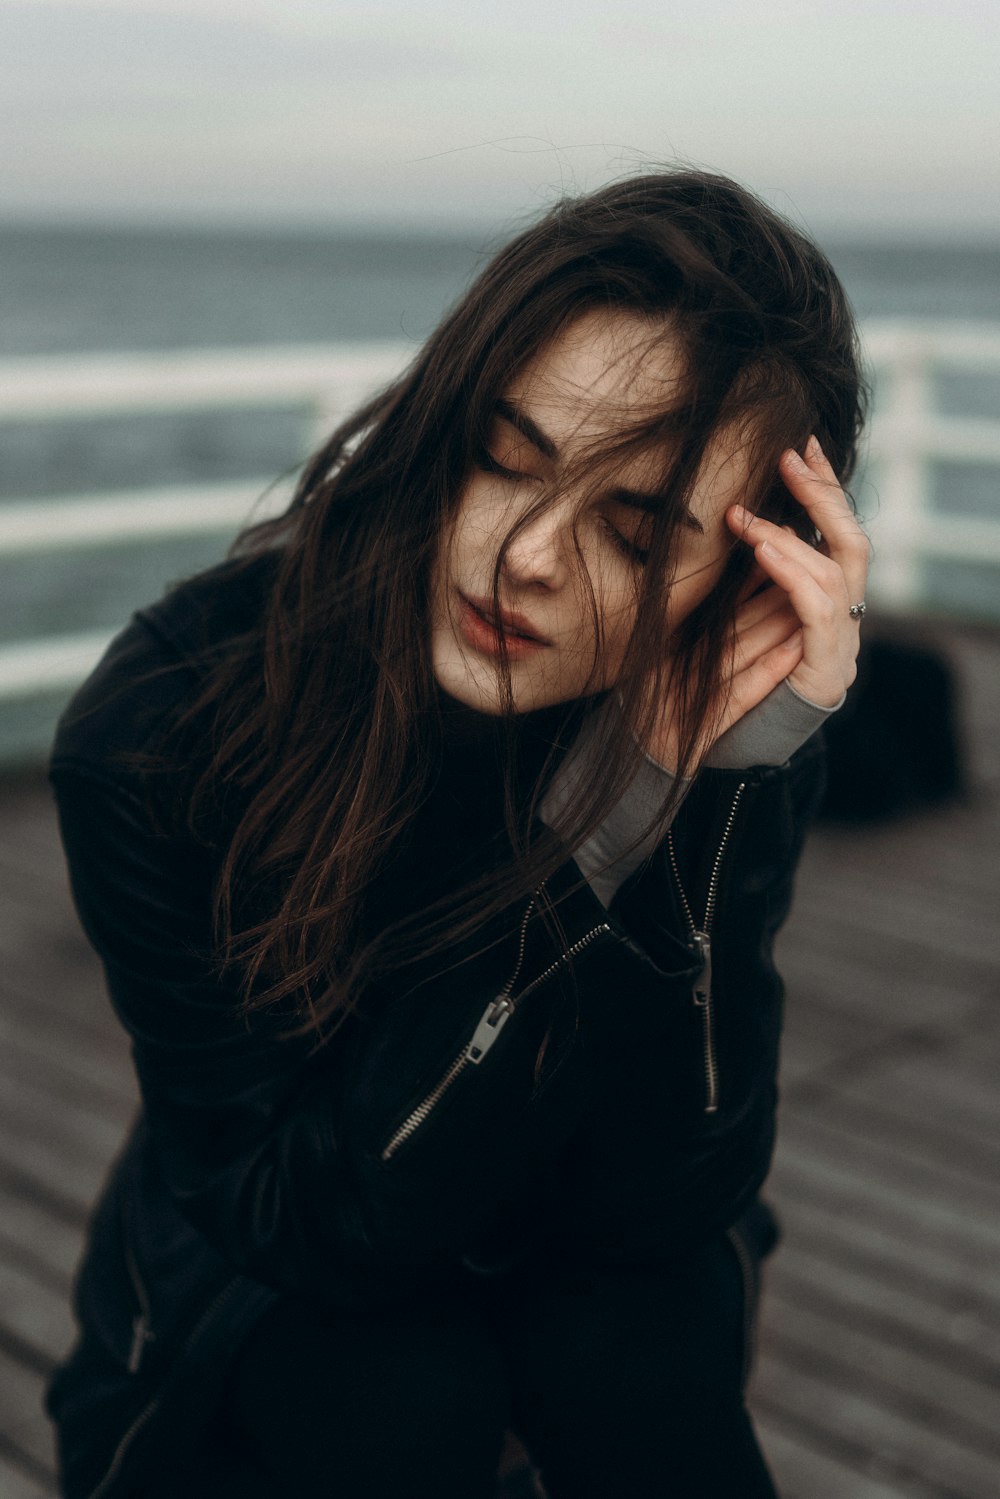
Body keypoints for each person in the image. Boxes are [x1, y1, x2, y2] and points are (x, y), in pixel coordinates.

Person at [45, 169, 869, 1499]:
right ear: (444, 426)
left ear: (744, 574)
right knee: (394, 1389)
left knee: (637, 1351)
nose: (530, 555)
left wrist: (697, 787)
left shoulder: (722, 718)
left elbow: (668, 1201)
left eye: (637, 525)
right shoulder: (166, 726)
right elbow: (305, 1227)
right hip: (268, 1270)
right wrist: (598, 844)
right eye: (509, 455)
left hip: (572, 1244)